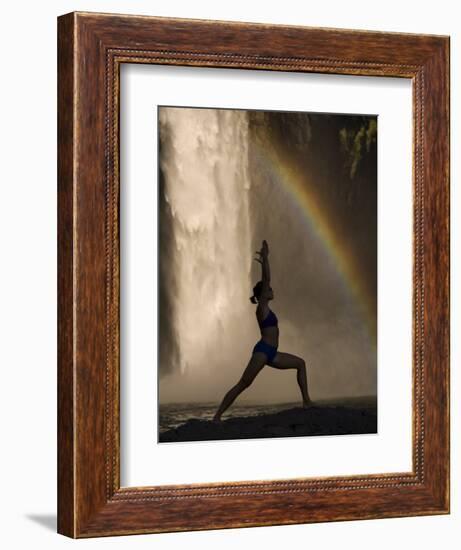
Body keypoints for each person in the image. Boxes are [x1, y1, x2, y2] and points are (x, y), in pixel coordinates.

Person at [213, 239, 312, 423]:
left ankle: (306, 401)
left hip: (272, 353)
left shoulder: (266, 307)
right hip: (263, 351)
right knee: (243, 383)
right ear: (263, 294)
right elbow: (267, 279)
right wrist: (266, 259)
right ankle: (217, 416)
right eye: (269, 290)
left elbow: (267, 282)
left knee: (301, 363)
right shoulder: (262, 308)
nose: (272, 290)